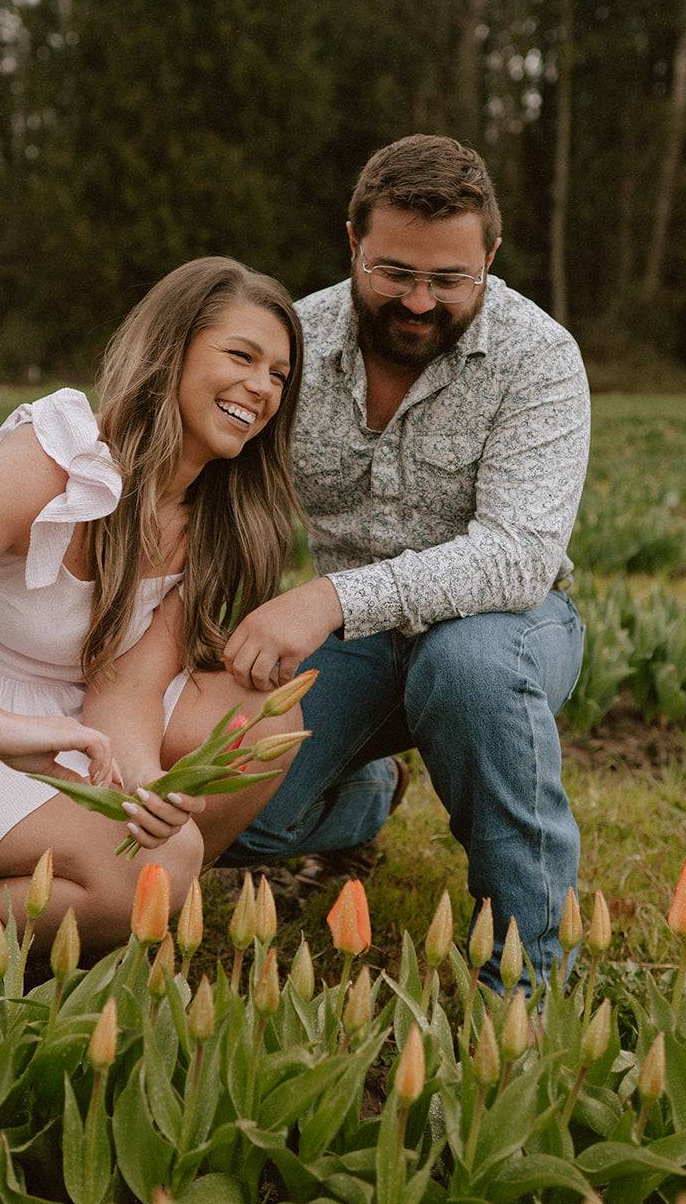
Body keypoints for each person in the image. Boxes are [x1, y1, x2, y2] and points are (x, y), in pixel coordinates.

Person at [0, 257, 306, 973]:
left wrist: (139, 783)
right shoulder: (56, 463)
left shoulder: (208, 517)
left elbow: (127, 687)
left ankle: (104, 922)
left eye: (278, 376)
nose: (260, 388)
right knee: (153, 868)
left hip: (73, 731)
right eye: (241, 356)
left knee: (256, 724)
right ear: (171, 350)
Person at [219, 135, 590, 989]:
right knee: (235, 816)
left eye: (450, 280)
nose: (419, 301)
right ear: (351, 241)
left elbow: (518, 555)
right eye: (393, 272)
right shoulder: (291, 343)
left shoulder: (537, 357)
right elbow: (216, 479)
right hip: (352, 644)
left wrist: (328, 599)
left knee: (468, 669)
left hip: (502, 625)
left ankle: (526, 986)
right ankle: (365, 798)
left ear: (489, 259)